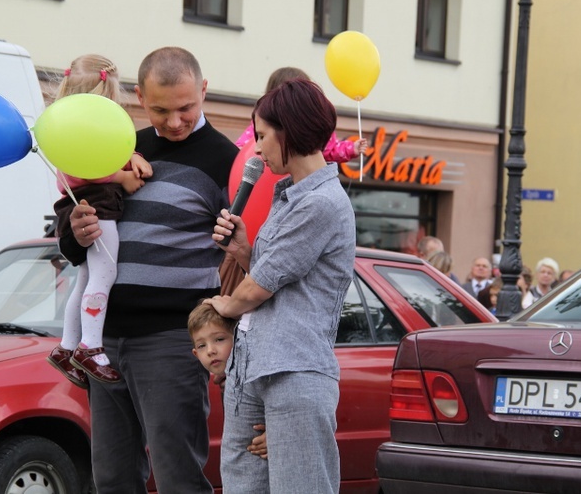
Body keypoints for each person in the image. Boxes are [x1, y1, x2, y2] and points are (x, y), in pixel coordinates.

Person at [62, 47, 240, 493]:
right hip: (104, 340)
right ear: (139, 97)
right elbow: (75, 242)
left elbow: (247, 252)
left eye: (186, 108)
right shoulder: (121, 146)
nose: (175, 121)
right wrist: (77, 232)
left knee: (178, 474)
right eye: (161, 110)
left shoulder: (226, 161)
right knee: (112, 477)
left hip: (172, 340)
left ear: (203, 90)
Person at [206, 78, 356, 493]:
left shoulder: (322, 201)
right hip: (256, 366)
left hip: (292, 368)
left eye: (262, 135)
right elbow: (280, 274)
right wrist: (242, 253)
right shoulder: (291, 196)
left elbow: (260, 288)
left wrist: (222, 307)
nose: (255, 148)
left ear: (287, 131)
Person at [47, 54, 153, 387]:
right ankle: (90, 345)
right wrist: (121, 178)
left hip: (77, 204)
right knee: (105, 273)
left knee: (85, 277)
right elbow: (86, 168)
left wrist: (130, 155)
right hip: (98, 206)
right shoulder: (85, 126)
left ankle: (67, 346)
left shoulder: (63, 124)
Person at [235, 66, 368, 162]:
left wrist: (351, 148)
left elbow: (328, 148)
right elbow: (245, 146)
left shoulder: (309, 124)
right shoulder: (262, 122)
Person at [187, 302, 268, 459]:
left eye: (219, 339)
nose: (211, 350)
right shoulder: (229, 381)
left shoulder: (259, 376)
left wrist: (278, 434)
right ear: (196, 354)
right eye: (202, 345)